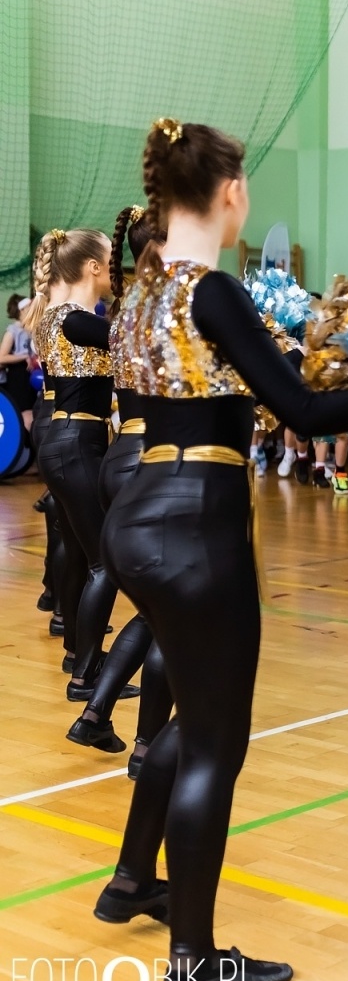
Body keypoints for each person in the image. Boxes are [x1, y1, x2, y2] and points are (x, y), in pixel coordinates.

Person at [96, 118, 348, 981]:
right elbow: (304, 417)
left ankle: (132, 880)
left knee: (191, 715)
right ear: (230, 192)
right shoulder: (212, 291)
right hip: (196, 527)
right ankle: (194, 963)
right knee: (217, 742)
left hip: (137, 517)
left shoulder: (141, 293)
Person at [67, 205, 174, 775]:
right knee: (171, 612)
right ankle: (144, 747)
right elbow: (70, 325)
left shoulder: (131, 303)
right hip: (151, 459)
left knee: (156, 608)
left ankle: (97, 714)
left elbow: (77, 327)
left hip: (118, 456)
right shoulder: (167, 306)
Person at [28, 229, 129, 701]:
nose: (117, 268)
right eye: (111, 259)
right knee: (104, 563)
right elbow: (131, 342)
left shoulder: (58, 315)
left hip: (67, 442)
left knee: (81, 554)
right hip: (76, 445)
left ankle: (78, 654)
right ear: (93, 267)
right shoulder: (73, 320)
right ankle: (86, 676)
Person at [1, 294, 38, 430]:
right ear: (21, 310)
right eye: (29, 307)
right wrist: (24, 357)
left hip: (31, 376)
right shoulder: (12, 331)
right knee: (25, 416)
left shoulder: (30, 330)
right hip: (18, 377)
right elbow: (2, 357)